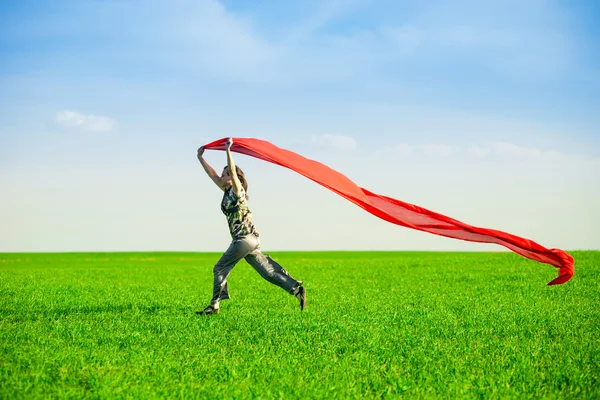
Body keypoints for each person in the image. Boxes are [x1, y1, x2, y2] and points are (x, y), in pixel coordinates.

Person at [196, 138, 306, 315]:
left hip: (243, 239)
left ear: (233, 178)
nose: (222, 176)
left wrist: (228, 150)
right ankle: (295, 289)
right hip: (250, 239)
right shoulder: (226, 191)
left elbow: (231, 170)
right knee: (267, 271)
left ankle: (214, 305)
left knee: (220, 268)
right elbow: (212, 175)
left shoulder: (237, 191)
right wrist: (201, 158)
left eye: (225, 175)